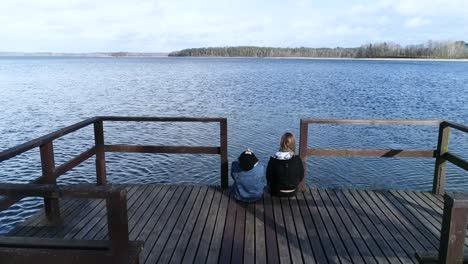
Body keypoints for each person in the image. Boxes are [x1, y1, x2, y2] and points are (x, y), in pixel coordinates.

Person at [266, 132, 304, 197]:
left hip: (276, 191)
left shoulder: (273, 159)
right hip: (293, 191)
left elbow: (268, 177)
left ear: (281, 143)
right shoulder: (297, 159)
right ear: (293, 144)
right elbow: (301, 176)